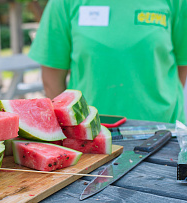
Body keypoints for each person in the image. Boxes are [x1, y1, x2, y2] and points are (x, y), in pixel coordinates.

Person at [28, 0, 187, 124]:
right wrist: (70, 126)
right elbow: (52, 77)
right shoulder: (64, 2)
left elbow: (182, 63)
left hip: (164, 129)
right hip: (88, 131)